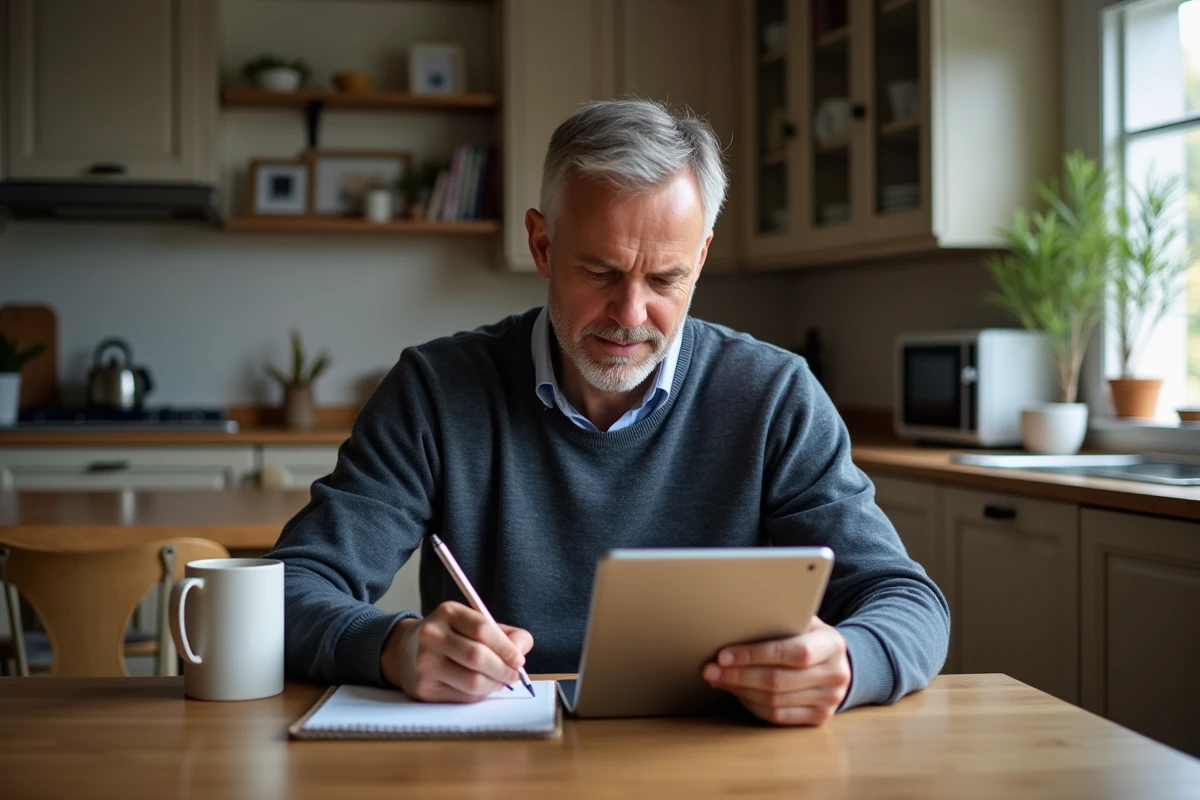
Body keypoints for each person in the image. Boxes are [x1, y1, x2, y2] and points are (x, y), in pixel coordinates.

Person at [268, 99, 949, 726]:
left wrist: (851, 661)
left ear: (702, 258)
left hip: (718, 757)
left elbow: (909, 603)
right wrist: (392, 646)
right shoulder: (436, 390)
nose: (630, 316)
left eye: (664, 279)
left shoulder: (774, 397)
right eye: (599, 272)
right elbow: (291, 588)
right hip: (501, 761)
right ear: (542, 245)